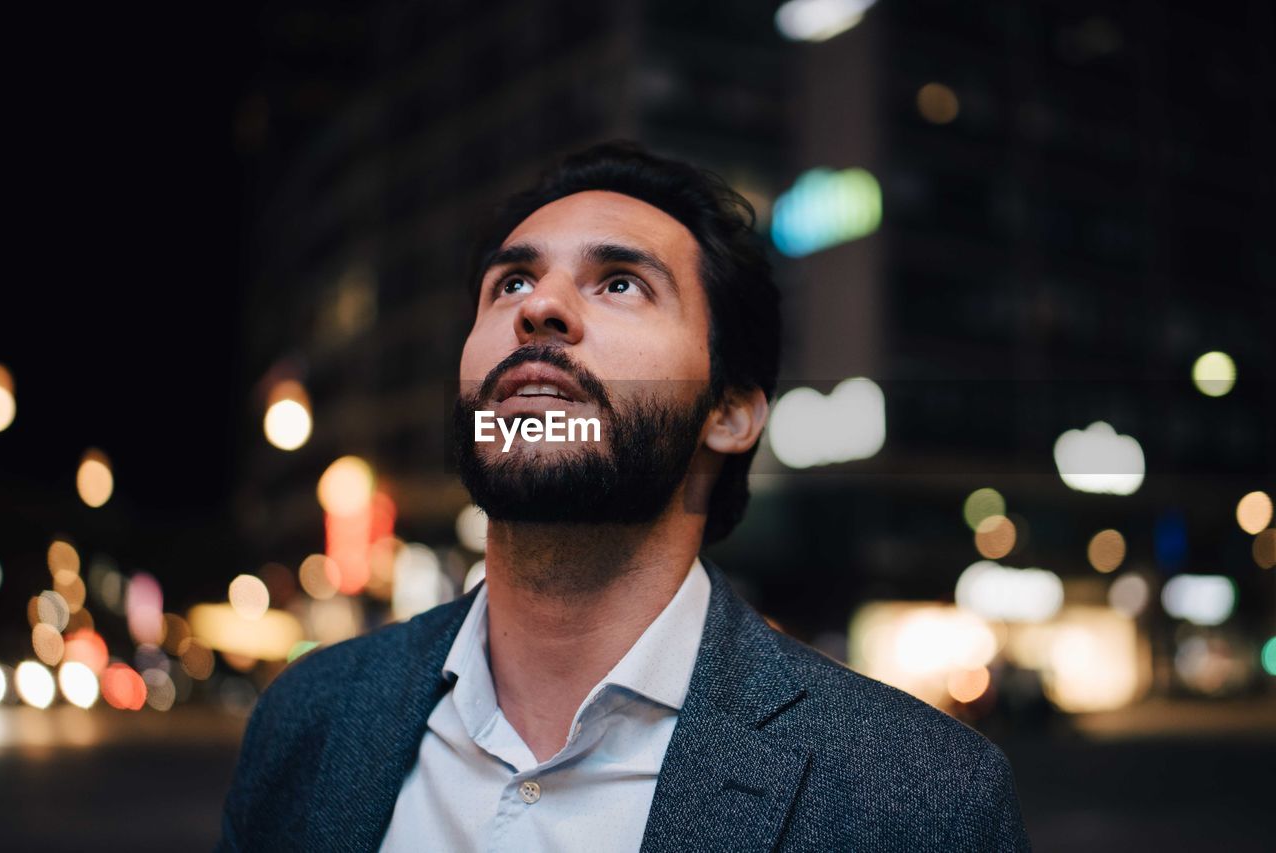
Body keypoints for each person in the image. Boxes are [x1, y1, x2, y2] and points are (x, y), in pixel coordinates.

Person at [217, 142, 1031, 852]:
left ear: (730, 410)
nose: (538, 307)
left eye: (619, 283)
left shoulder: (922, 801)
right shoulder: (309, 720)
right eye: (509, 284)